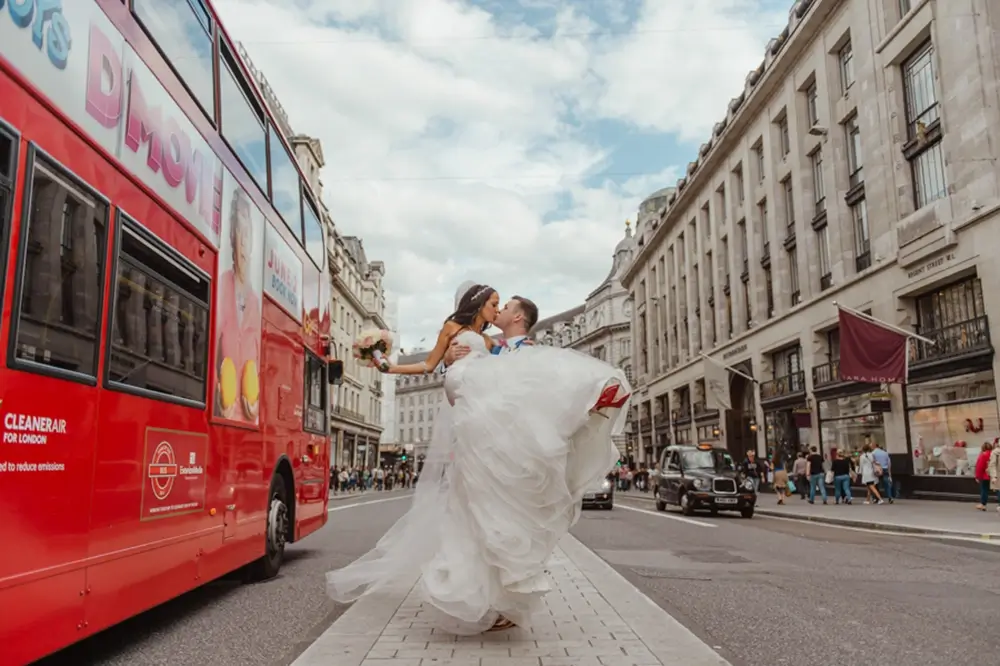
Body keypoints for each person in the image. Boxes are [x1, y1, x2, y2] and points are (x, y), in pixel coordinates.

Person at [325, 283, 631, 634]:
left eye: (502, 305)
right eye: (494, 303)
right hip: (472, 435)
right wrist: (384, 364)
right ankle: (485, 595)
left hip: (488, 434)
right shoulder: (461, 334)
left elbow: (525, 380)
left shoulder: (497, 346)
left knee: (491, 515)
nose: (496, 309)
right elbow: (429, 364)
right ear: (479, 304)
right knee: (473, 517)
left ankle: (590, 396)